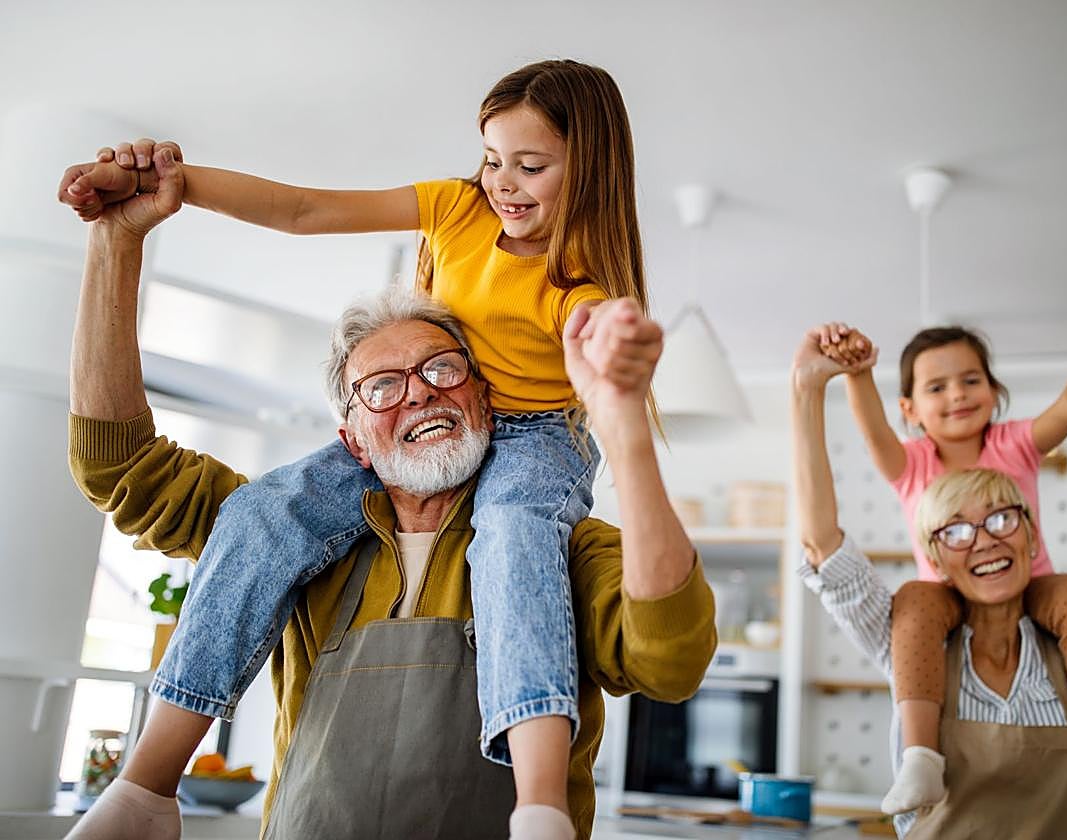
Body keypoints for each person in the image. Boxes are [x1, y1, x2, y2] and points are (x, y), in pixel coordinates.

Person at [59, 59, 650, 840]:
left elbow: (666, 652)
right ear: (350, 431)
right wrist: (174, 189)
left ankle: (538, 808)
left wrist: (620, 387)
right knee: (265, 510)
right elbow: (304, 209)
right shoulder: (457, 211)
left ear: (591, 169)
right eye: (492, 158)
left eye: (531, 165)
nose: (502, 183)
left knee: (512, 539)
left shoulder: (583, 293)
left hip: (542, 437)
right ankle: (144, 790)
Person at [790, 298, 1067, 839]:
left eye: (1003, 518)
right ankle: (921, 756)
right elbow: (827, 534)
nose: (984, 541)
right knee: (915, 600)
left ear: (1030, 530)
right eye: (955, 528)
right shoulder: (916, 640)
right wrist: (836, 380)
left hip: (1043, 595)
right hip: (938, 603)